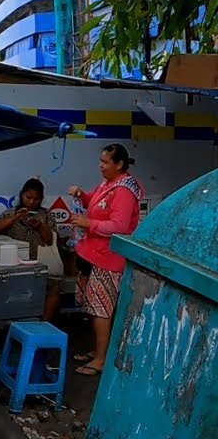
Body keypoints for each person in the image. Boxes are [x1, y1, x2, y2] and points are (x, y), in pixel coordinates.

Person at [68, 143, 143, 376]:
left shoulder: (124, 190)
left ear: (119, 165)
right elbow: (96, 203)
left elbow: (119, 226)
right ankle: (99, 350)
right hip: (92, 255)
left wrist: (88, 223)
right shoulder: (109, 183)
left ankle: (101, 359)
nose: (100, 166)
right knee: (92, 306)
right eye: (100, 161)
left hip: (108, 260)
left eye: (105, 162)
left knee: (101, 309)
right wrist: (83, 195)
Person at [0, 178, 62, 320]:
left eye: (36, 199)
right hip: (15, 265)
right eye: (28, 197)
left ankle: (43, 323)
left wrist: (40, 226)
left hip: (38, 264)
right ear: (22, 195)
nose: (32, 202)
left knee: (54, 287)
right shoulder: (11, 213)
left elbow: (50, 240)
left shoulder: (46, 215)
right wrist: (14, 218)